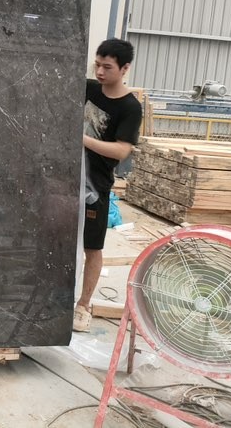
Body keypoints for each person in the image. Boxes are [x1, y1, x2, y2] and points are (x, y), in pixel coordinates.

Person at [74, 38, 142, 332]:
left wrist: (81, 139)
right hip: (66, 179)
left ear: (125, 68)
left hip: (95, 186)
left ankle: (83, 305)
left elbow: (122, 150)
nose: (100, 72)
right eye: (97, 65)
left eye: (107, 67)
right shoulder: (88, 89)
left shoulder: (130, 107)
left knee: (92, 247)